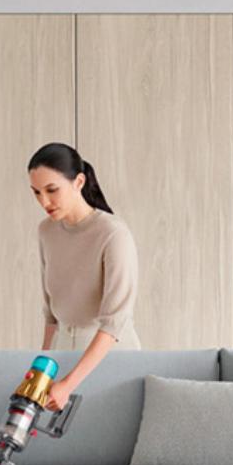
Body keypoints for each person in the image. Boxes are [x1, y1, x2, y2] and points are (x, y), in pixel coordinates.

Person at [27, 142, 139, 410]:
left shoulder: (113, 234)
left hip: (110, 359)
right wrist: (44, 373)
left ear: (78, 182)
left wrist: (68, 383)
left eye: (52, 190)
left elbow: (114, 323)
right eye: (37, 193)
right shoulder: (47, 231)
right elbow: (51, 315)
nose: (44, 201)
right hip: (63, 352)